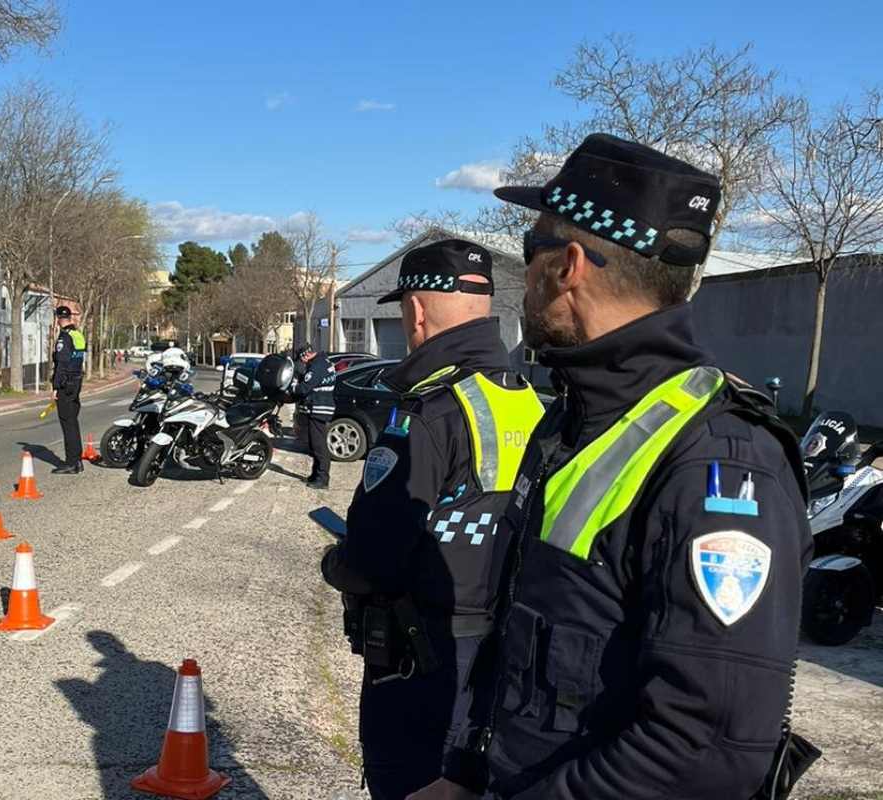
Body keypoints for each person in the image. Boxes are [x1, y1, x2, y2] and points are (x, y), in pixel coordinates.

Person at [417, 134, 815, 800]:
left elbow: (706, 750)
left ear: (568, 264)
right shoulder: (576, 419)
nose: (527, 275)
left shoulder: (715, 460)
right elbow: (521, 631)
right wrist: (463, 772)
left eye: (531, 248)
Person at [320, 239, 544, 800]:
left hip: (423, 660)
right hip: (507, 651)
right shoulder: (530, 401)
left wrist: (335, 563)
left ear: (416, 311)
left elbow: (375, 557)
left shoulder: (429, 411)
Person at [293, 345, 336, 489]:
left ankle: (323, 479)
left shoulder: (317, 366)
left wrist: (292, 388)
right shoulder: (324, 361)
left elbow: (305, 387)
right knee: (314, 443)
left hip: (319, 408)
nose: (303, 362)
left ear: (306, 355)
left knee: (319, 445)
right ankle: (315, 474)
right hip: (320, 407)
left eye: (302, 359)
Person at [51, 305, 87, 474]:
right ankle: (77, 460)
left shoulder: (64, 338)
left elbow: (62, 364)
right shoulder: (78, 334)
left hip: (65, 385)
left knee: (67, 423)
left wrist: (56, 387)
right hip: (76, 382)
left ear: (58, 318)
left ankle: (71, 462)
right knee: (73, 421)